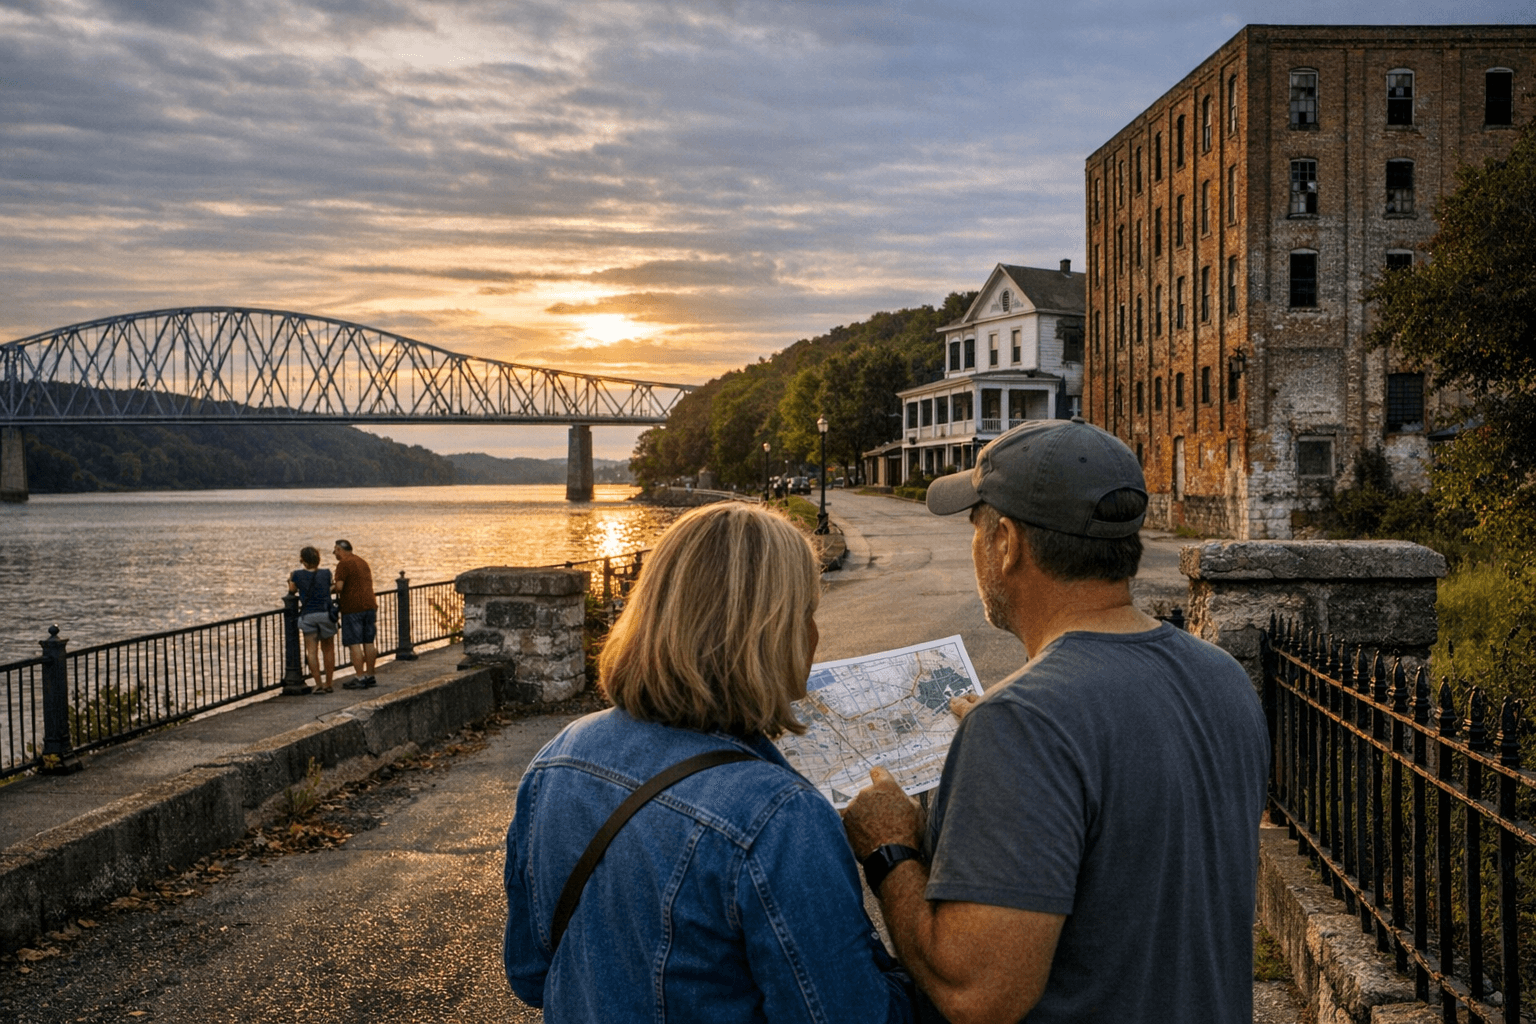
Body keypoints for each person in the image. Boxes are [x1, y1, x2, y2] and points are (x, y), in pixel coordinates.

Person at [841, 418, 1269, 1024]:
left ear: (1006, 542)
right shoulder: (1221, 677)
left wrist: (889, 849)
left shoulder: (1021, 724)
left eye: (974, 526)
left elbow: (979, 993)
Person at [503, 503, 912, 1024]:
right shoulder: (781, 818)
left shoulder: (557, 759)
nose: (815, 635)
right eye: (807, 614)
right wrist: (894, 854)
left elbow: (531, 974)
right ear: (770, 632)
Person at [288, 546, 336, 694]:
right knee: (328, 649)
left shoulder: (297, 574)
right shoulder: (326, 573)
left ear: (303, 560)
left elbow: (292, 591)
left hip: (308, 615)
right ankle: (329, 683)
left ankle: (318, 684)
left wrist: (290, 579)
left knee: (312, 651)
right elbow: (330, 587)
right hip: (325, 613)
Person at [331, 539, 377, 690]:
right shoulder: (362, 561)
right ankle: (370, 675)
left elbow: (339, 587)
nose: (334, 554)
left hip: (353, 608)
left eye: (335, 551)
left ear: (339, 549)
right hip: (369, 605)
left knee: (354, 643)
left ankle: (359, 677)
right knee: (368, 641)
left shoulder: (344, 564)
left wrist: (326, 590)